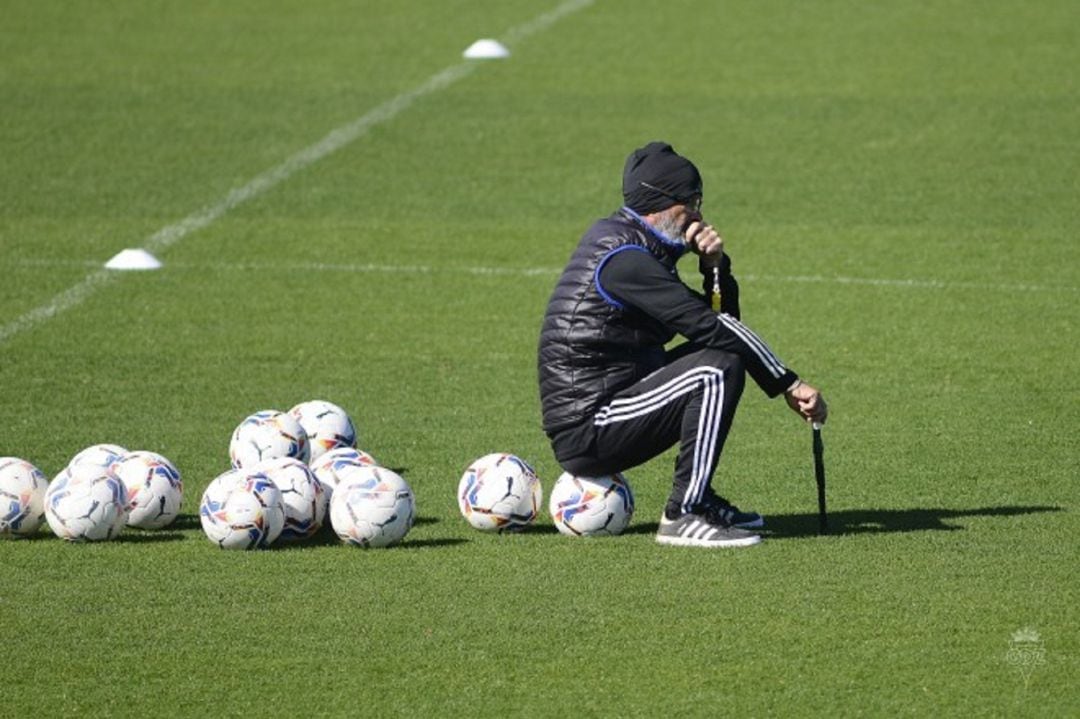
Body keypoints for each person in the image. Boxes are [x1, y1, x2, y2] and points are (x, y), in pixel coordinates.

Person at [537, 141, 827, 548]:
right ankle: (683, 513)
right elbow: (709, 328)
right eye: (691, 201)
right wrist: (789, 384)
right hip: (589, 427)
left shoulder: (640, 250)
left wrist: (715, 269)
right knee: (716, 367)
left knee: (723, 359)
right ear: (660, 201)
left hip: (615, 403)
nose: (698, 212)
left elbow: (724, 329)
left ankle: (699, 501)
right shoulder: (625, 258)